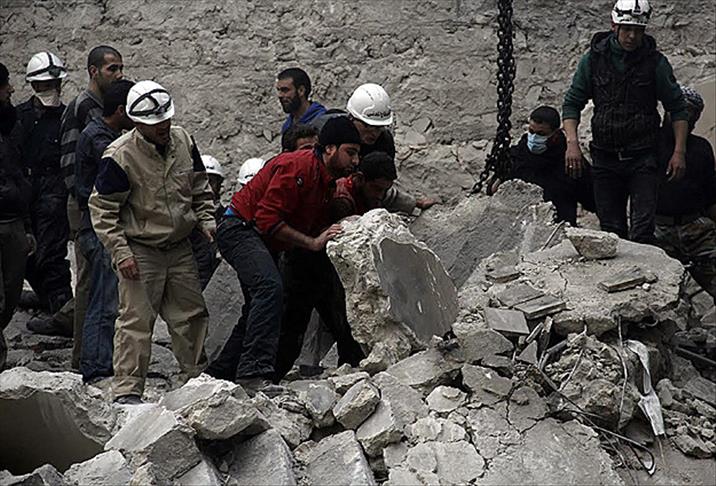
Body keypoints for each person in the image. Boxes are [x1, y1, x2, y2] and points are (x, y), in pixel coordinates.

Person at [206, 117, 361, 393]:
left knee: (259, 306)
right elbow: (266, 218)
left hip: (260, 237)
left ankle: (218, 377)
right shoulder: (298, 167)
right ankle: (253, 374)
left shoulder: (326, 181)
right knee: (269, 289)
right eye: (350, 152)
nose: (355, 160)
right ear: (330, 149)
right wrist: (312, 242)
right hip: (240, 227)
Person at [89, 80, 215, 404]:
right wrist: (121, 252)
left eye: (166, 119)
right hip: (141, 250)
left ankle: (197, 383)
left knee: (191, 316)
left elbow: (199, 185)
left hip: (180, 247)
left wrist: (206, 219)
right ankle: (128, 390)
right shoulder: (120, 156)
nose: (164, 126)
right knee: (136, 322)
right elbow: (102, 209)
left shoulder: (183, 140)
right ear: (136, 122)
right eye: (155, 122)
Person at [562, 0, 689, 243]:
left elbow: (677, 108)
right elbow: (572, 103)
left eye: (638, 31)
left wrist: (679, 151)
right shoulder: (593, 61)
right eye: (627, 29)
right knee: (611, 231)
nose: (632, 36)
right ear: (614, 26)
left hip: (644, 157)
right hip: (605, 157)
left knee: (642, 230)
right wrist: (572, 144)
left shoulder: (655, 63)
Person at [273, 151, 400, 380]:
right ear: (360, 179)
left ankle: (349, 372)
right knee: (297, 324)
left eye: (384, 190)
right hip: (309, 265)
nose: (380, 196)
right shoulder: (342, 200)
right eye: (377, 189)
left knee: (340, 325)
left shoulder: (366, 193)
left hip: (326, 267)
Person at [59, 45, 124, 368]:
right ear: (93, 71)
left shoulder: (102, 107)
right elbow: (71, 162)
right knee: (90, 282)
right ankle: (85, 357)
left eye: (120, 68)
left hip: (97, 204)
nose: (119, 74)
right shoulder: (83, 107)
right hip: (86, 205)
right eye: (112, 68)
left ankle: (91, 355)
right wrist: (87, 204)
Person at [74, 79, 135, 383]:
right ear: (122, 110)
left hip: (95, 228)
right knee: (105, 300)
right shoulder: (101, 140)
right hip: (98, 230)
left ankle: (99, 362)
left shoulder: (105, 134)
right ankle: (96, 367)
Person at [16, 52, 73, 336]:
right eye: (44, 85)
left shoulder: (68, 117)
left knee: (51, 255)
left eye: (54, 83)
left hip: (55, 192)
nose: (50, 89)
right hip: (25, 190)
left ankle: (64, 312)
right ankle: (47, 297)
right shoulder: (20, 117)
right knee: (24, 253)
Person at [317, 83, 438, 213]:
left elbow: (380, 184)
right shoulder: (329, 132)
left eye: (379, 127)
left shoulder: (383, 142)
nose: (374, 133)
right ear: (352, 118)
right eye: (368, 126)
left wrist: (413, 203)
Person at [654, 86, 716, 298]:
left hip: (696, 229)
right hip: (657, 230)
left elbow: (711, 195)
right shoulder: (649, 144)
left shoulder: (701, 148)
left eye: (689, 112)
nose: (683, 116)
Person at [509, 106, 595, 225]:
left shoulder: (570, 161)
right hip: (520, 223)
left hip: (557, 225)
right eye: (531, 132)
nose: (534, 138)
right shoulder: (518, 154)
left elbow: (592, 198)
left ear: (554, 134)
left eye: (541, 134)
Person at [0, 62, 33, 371]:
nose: (11, 89)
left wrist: (28, 224)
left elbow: (21, 173)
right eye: (5, 85)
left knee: (11, 295)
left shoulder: (11, 124)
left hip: (14, 222)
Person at [190, 154, 225, 289]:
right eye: (203, 182)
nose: (207, 187)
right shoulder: (186, 221)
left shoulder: (225, 218)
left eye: (211, 181)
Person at [277, 68, 326, 135]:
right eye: (278, 90)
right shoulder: (287, 126)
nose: (280, 95)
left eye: (285, 90)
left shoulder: (322, 122)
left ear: (301, 91)